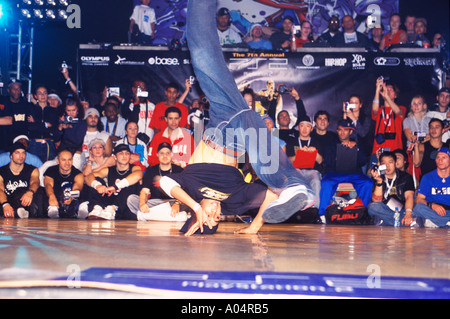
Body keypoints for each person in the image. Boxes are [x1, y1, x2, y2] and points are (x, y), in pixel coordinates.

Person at [159, 0, 315, 236]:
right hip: (240, 136)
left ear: (196, 218)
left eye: (207, 219)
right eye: (216, 221)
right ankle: (294, 185)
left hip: (218, 122)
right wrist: (254, 227)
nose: (215, 216)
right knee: (260, 148)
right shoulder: (233, 204)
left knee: (202, 55)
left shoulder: (190, 193)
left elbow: (164, 183)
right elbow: (270, 195)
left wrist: (192, 206)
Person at [319, 119, 373, 216]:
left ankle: (364, 213)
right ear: (337, 131)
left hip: (354, 174)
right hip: (335, 174)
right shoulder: (331, 144)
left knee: (367, 182)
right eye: (340, 130)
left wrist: (356, 148)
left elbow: (363, 161)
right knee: (326, 182)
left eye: (345, 130)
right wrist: (341, 150)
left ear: (350, 132)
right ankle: (323, 214)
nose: (342, 132)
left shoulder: (357, 144)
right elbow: (328, 162)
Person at [127, 142, 185, 221]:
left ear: (171, 155)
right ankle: (170, 216)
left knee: (187, 203)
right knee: (131, 199)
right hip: (156, 203)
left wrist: (177, 203)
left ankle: (149, 216)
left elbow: (184, 192)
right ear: (157, 154)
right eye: (162, 153)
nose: (165, 156)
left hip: (174, 202)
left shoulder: (179, 171)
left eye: (167, 153)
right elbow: (144, 191)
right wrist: (142, 204)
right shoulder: (151, 170)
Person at [85, 144, 143, 220]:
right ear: (115, 157)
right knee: (97, 180)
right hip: (110, 202)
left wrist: (116, 187)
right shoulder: (109, 169)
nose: (124, 156)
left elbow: (138, 175)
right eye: (121, 153)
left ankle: (112, 209)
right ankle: (97, 208)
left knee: (130, 183)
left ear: (130, 156)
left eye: (127, 153)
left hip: (126, 206)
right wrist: (97, 185)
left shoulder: (135, 168)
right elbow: (88, 177)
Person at [368, 151, 415, 227]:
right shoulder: (377, 177)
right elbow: (376, 201)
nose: (387, 166)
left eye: (390, 162)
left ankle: (385, 221)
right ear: (380, 165)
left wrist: (408, 214)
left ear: (395, 163)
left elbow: (409, 196)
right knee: (372, 207)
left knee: (416, 207)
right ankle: (403, 222)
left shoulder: (406, 177)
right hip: (385, 209)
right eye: (384, 163)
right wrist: (379, 182)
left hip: (402, 209)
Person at [0, 142, 42, 219]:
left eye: (23, 153)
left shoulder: (32, 170)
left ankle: (23, 212)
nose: (21, 156)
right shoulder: (2, 171)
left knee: (39, 192)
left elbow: (35, 182)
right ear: (11, 156)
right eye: (17, 153)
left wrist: (30, 192)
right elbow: (0, 190)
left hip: (27, 201)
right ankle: (17, 211)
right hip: (8, 201)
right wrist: (5, 204)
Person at [413, 147, 450, 228]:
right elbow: (419, 199)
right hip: (432, 211)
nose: (440, 160)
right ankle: (445, 222)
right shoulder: (428, 177)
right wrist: (432, 205)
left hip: (448, 211)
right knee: (418, 207)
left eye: (444, 157)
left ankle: (435, 222)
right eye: (438, 157)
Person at [44, 149, 86, 219]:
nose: (67, 163)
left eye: (69, 160)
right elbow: (48, 184)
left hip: (71, 197)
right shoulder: (50, 170)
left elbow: (77, 187)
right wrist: (51, 196)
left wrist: (70, 196)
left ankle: (82, 208)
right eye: (63, 160)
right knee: (46, 190)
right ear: (58, 161)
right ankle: (52, 208)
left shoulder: (78, 173)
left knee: (85, 188)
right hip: (55, 196)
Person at [371, 77, 406, 159]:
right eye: (386, 89)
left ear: (396, 95)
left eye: (391, 89)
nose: (388, 91)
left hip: (395, 151)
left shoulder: (401, 108)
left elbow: (397, 111)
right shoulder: (380, 110)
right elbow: (374, 110)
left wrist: (386, 96)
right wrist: (377, 90)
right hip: (378, 150)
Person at [27, 85, 61, 163]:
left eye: (44, 93)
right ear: (35, 96)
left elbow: (52, 129)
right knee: (33, 169)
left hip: (49, 144)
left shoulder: (54, 111)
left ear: (47, 95)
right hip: (34, 144)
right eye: (39, 93)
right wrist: (45, 124)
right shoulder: (31, 109)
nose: (42, 95)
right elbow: (30, 127)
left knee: (49, 170)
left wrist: (36, 122)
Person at [57, 96, 87, 170]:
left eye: (73, 110)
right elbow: (55, 139)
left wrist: (68, 129)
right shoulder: (62, 122)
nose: (71, 113)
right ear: (65, 111)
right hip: (63, 152)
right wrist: (60, 128)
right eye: (68, 110)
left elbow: (77, 141)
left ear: (77, 110)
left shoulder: (82, 123)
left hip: (76, 152)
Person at [125, 80, 155, 144]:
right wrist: (136, 103)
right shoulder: (129, 105)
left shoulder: (152, 106)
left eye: (143, 88)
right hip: (135, 141)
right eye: (139, 87)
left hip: (151, 142)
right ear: (133, 89)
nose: (141, 90)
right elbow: (132, 121)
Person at [1, 81, 30, 145]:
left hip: (21, 143)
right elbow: (8, 120)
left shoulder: (26, 105)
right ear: (8, 90)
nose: (16, 91)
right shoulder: (3, 102)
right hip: (4, 142)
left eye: (18, 89)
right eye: (14, 88)